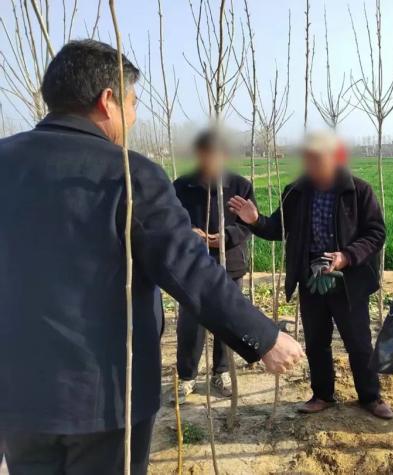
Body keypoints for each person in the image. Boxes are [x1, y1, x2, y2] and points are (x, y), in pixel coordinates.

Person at [0, 40, 303, 475]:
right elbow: (189, 269)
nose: (134, 115)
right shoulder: (128, 174)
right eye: (132, 102)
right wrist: (265, 336)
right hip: (105, 398)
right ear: (107, 100)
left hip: (16, 396)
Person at [229, 131, 393, 419]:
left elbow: (376, 233)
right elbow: (279, 228)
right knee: (317, 342)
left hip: (348, 282)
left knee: (358, 343)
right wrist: (255, 220)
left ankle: (370, 396)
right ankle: (322, 394)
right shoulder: (297, 192)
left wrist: (346, 256)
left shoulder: (358, 191)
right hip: (311, 279)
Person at [172, 130, 256, 401]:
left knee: (227, 320)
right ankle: (187, 376)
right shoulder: (182, 186)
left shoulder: (240, 186)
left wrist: (225, 237)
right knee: (190, 322)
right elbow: (170, 220)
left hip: (229, 262)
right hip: (192, 264)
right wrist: (189, 233)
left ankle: (222, 372)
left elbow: (248, 224)